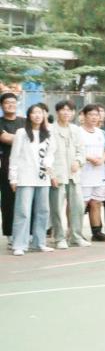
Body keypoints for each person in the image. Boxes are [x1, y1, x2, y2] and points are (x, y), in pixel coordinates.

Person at [9, 104, 56, 255]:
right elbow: (14, 156)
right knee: (23, 212)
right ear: (29, 115)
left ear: (44, 115)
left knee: (43, 211)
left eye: (40, 113)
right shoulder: (21, 132)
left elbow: (51, 153)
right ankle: (19, 244)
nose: (37, 115)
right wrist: (13, 177)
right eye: (34, 113)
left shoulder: (48, 133)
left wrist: (48, 165)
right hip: (25, 178)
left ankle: (39, 242)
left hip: (42, 177)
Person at [49, 100, 88, 249]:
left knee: (78, 207)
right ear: (57, 112)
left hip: (73, 174)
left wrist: (78, 161)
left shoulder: (76, 130)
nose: (66, 112)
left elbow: (82, 150)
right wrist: (51, 174)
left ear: (73, 113)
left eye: (69, 110)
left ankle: (76, 236)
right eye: (63, 110)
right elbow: (47, 154)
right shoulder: (50, 130)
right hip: (57, 175)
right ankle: (59, 237)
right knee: (56, 208)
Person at [79, 104, 105, 242]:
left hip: (99, 173)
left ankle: (97, 231)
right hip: (83, 173)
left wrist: (102, 159)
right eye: (91, 114)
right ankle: (75, 232)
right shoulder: (78, 132)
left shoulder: (102, 133)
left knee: (96, 202)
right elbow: (74, 150)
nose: (94, 117)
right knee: (81, 204)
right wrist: (88, 158)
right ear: (84, 116)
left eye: (96, 115)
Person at [0, 92, 25, 245]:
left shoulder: (24, 121)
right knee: (9, 200)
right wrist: (25, 137)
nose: (11, 105)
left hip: (26, 165)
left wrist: (16, 137)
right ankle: (10, 233)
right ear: (2, 105)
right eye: (7, 102)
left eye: (13, 102)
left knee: (25, 199)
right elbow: (5, 138)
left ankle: (26, 232)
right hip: (7, 165)